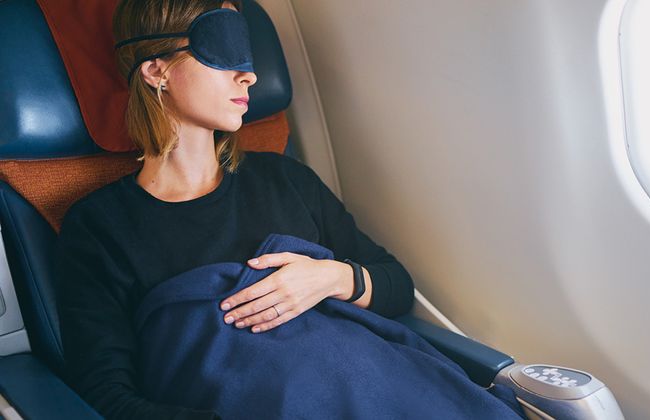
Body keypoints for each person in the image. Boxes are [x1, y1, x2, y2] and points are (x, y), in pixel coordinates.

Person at [56, 1, 524, 419]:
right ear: (156, 70)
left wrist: (330, 278)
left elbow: (396, 286)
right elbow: (106, 391)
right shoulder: (99, 226)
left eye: (248, 57)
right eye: (223, 50)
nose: (249, 75)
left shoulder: (285, 179)